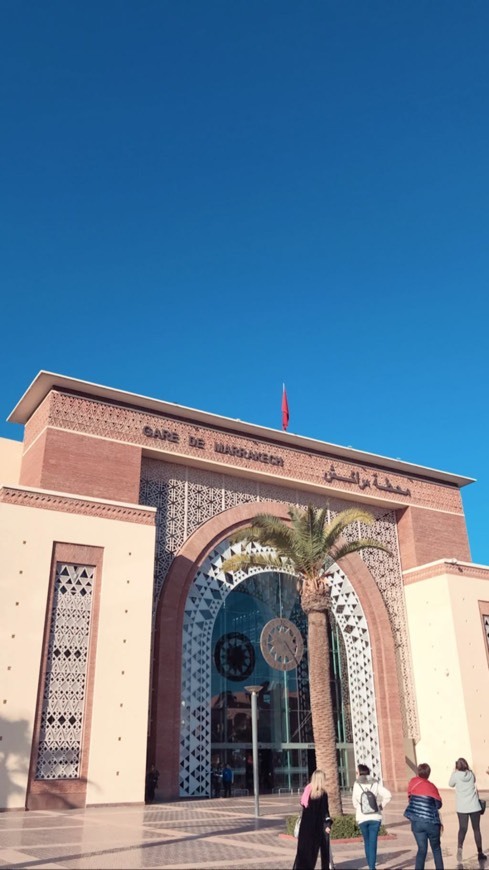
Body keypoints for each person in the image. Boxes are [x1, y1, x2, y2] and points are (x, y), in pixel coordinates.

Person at [352, 763, 392, 870]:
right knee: (373, 843)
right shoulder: (374, 783)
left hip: (362, 817)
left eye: (357, 772)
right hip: (375, 817)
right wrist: (381, 806)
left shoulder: (356, 784)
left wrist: (361, 808)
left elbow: (354, 803)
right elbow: (388, 795)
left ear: (360, 773)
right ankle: (372, 867)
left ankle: (371, 866)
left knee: (367, 842)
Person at [405, 762, 444, 870]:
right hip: (432, 823)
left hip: (417, 823)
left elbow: (409, 798)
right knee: (436, 849)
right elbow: (439, 805)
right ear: (429, 774)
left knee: (422, 850)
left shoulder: (413, 782)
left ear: (418, 772)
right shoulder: (432, 787)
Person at [449, 757, 487, 863]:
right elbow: (474, 781)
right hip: (474, 806)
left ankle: (460, 849)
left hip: (462, 808)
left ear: (457, 766)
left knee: (462, 829)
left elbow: (450, 784)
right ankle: (480, 853)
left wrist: (454, 772)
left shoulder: (455, 775)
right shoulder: (471, 774)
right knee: (476, 829)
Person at [293, 769, 332, 870]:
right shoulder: (322, 794)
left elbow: (303, 805)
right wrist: (328, 824)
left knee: (303, 852)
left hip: (305, 827)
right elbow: (325, 811)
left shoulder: (307, 791)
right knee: (315, 852)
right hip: (316, 828)